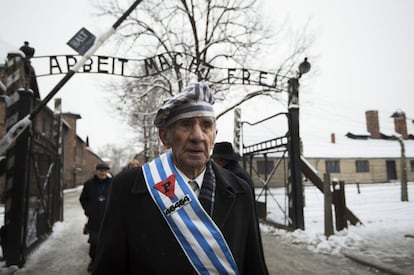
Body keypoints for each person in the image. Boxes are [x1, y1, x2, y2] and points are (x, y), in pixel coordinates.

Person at [93, 82, 268, 274]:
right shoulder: (127, 187)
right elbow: (109, 266)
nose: (197, 136)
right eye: (186, 125)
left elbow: (254, 264)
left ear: (214, 136)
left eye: (206, 125)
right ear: (164, 137)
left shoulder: (240, 190)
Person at [79, 163, 112, 273]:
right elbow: (83, 199)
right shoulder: (89, 184)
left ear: (107, 172)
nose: (103, 173)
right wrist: (89, 211)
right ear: (96, 171)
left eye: (105, 171)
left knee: (107, 242)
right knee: (94, 242)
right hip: (94, 219)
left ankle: (105, 262)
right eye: (100, 170)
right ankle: (93, 261)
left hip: (108, 218)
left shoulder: (112, 183)